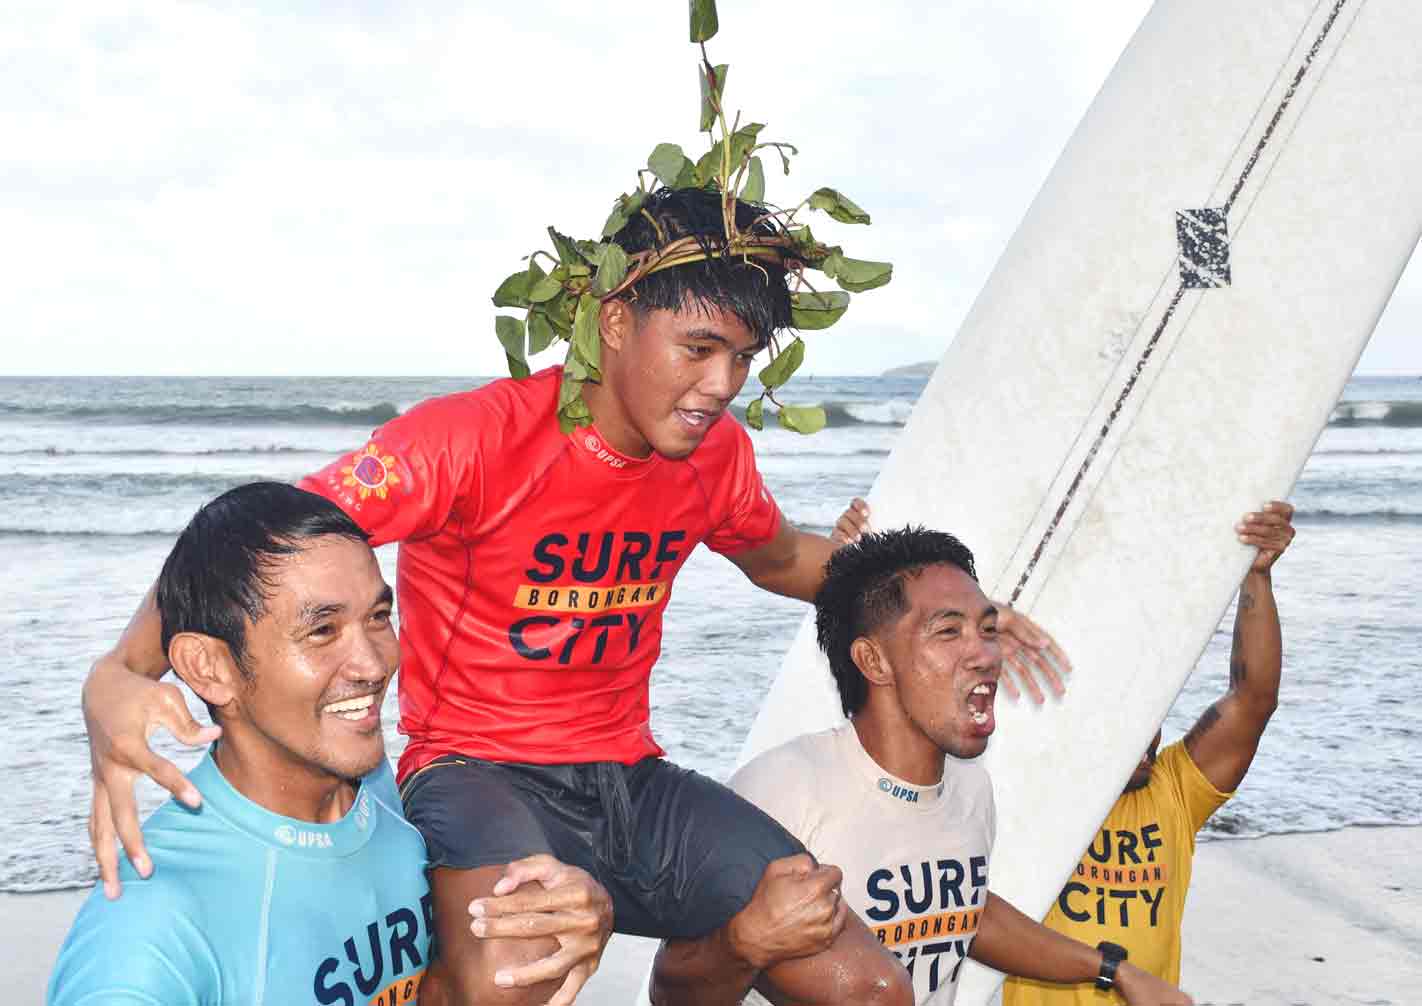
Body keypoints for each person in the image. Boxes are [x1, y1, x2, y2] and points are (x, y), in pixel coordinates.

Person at [78, 189, 1068, 1006]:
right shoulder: (470, 440)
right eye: (699, 347)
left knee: (863, 981)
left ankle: (688, 980)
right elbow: (260, 545)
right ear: (615, 322)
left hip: (630, 784)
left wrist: (955, 607)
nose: (723, 382)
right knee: (519, 974)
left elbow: (783, 560)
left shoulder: (714, 457)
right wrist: (123, 672)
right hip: (474, 772)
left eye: (744, 358)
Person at [49, 483, 610, 1005]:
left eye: (378, 617)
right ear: (210, 667)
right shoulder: (145, 934)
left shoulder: (371, 786)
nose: (373, 664)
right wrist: (115, 670)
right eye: (321, 631)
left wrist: (578, 915)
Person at [721, 526, 1192, 1005]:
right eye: (948, 631)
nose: (987, 655)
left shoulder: (970, 790)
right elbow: (683, 976)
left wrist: (1113, 970)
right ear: (873, 660)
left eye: (988, 631)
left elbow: (965, 909)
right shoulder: (781, 792)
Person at [1003, 501, 1295, 1004]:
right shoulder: (1030, 789)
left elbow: (1253, 700)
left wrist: (1256, 576)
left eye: (1149, 724)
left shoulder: (1174, 789)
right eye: (1122, 729)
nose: (1143, 745)